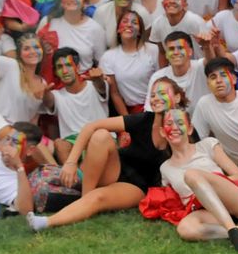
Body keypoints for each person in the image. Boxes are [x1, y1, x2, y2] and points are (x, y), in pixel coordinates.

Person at [26, 82, 174, 232]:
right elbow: (91, 126)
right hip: (115, 167)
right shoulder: (143, 120)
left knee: (99, 197)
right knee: (101, 136)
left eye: (162, 93)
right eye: (153, 94)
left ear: (178, 97)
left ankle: (46, 222)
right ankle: (85, 200)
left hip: (137, 185)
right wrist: (71, 162)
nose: (156, 98)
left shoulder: (181, 128)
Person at [142, 107, 238, 250]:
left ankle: (233, 232)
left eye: (180, 122)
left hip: (235, 202)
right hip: (208, 213)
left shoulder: (207, 145)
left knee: (191, 175)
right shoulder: (165, 168)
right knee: (185, 229)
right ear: (162, 131)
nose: (174, 128)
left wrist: (205, 185)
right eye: (168, 124)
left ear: (190, 129)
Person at [44, 47, 107, 160]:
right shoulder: (56, 95)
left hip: (100, 138)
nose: (64, 71)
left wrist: (98, 80)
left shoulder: (94, 85)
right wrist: (43, 93)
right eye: (60, 67)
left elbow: (101, 87)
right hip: (73, 143)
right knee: (60, 143)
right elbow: (48, 100)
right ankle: (74, 177)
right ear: (55, 72)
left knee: (98, 140)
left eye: (68, 65)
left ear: (77, 67)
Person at [99, 10, 161, 117]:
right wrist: (128, 121)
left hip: (156, 108)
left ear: (140, 31)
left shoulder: (153, 50)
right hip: (130, 113)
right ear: (118, 29)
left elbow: (161, 82)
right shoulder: (108, 57)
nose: (129, 24)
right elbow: (115, 93)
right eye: (125, 21)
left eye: (134, 22)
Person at [149, 31, 211, 106]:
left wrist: (207, 47)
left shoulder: (201, 66)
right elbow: (152, 109)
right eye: (171, 49)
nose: (175, 52)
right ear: (166, 54)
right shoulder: (158, 77)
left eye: (181, 48)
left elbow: (211, 63)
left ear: (190, 51)